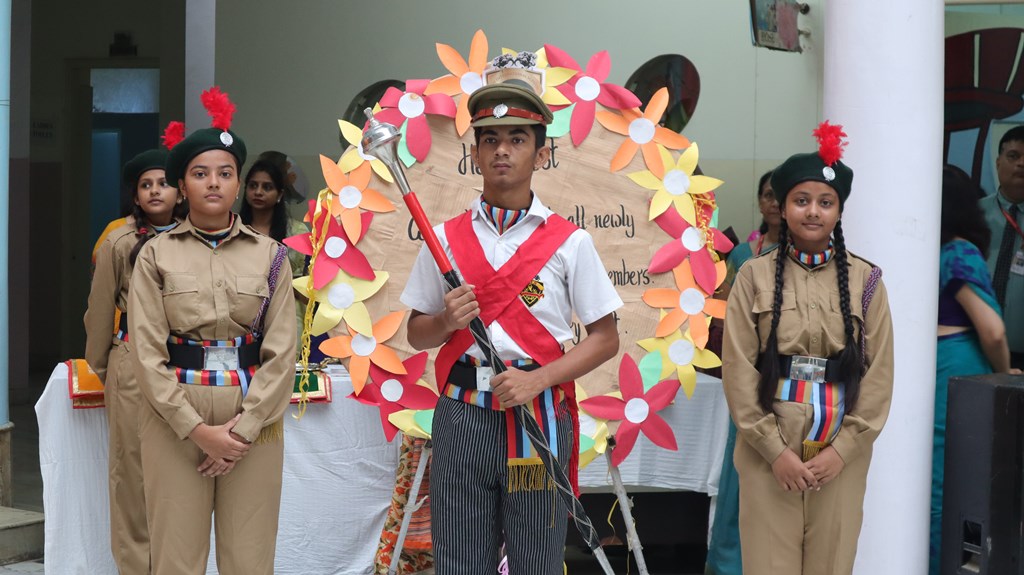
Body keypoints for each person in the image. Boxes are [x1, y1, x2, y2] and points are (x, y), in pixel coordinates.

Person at [399, 53, 622, 575]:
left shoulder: (571, 242)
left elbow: (605, 338)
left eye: (518, 139)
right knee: (460, 559)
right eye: (491, 139)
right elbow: (416, 334)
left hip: (536, 411)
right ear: (474, 152)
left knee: (536, 561)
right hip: (462, 412)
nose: (504, 151)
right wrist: (447, 323)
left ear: (541, 153)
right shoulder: (445, 240)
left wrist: (539, 380)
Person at [128, 87, 296, 574]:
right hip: (175, 414)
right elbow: (146, 353)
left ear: (239, 183)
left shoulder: (271, 256)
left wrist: (240, 432)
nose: (214, 183)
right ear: (182, 185)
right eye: (200, 174)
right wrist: (199, 432)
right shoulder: (156, 256)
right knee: (176, 555)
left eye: (225, 173)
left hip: (253, 415)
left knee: (250, 556)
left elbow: (281, 351)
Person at [721, 122, 894, 575]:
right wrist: (774, 451)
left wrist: (844, 450)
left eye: (825, 202)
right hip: (768, 450)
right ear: (782, 207)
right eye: (801, 201)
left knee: (832, 564)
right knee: (768, 565)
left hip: (840, 451)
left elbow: (880, 375)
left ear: (839, 210)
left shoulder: (867, 280)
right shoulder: (752, 277)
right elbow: (737, 370)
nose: (813, 212)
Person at [83, 136, 186, 574]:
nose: (156, 191)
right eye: (146, 184)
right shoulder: (119, 241)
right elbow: (99, 311)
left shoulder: (196, 238)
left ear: (181, 189)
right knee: (131, 472)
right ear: (135, 194)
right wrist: (108, 368)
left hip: (184, 363)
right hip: (130, 359)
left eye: (165, 182)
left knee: (178, 470)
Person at [931, 164, 1016, 574]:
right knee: (952, 484)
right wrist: (1006, 373)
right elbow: (994, 330)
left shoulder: (921, 249)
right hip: (961, 364)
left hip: (930, 365)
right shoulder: (959, 251)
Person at [706, 169, 780, 575]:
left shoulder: (808, 257)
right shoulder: (741, 256)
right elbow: (722, 316)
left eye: (778, 196)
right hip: (746, 377)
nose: (771, 203)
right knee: (741, 478)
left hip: (788, 383)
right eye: (765, 195)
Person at [979, 125, 1024, 369]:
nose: (1021, 164)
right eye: (1013, 156)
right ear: (998, 163)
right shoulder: (973, 214)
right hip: (977, 349)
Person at [240, 150, 309, 278]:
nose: (258, 192)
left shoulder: (297, 231)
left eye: (267, 187)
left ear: (280, 195)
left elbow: (303, 280)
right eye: (253, 186)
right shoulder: (234, 229)